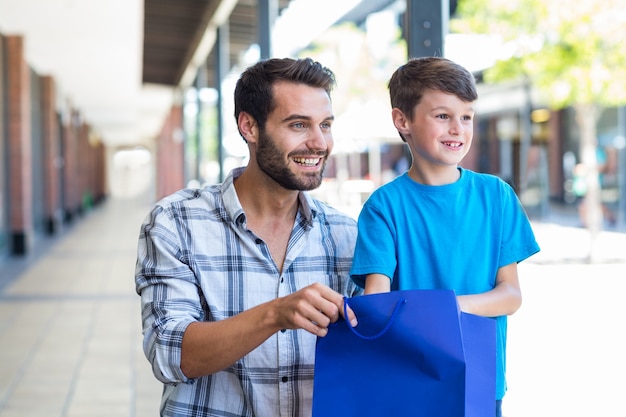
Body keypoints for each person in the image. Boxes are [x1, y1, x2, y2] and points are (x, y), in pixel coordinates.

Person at [135, 57, 362, 417]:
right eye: (299, 124)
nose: (319, 142)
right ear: (249, 127)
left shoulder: (347, 235)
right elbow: (169, 353)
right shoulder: (175, 222)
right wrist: (275, 314)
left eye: (326, 125)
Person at [349, 57, 540, 417]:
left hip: (479, 378)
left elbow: (511, 295)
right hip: (409, 378)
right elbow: (377, 303)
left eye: (466, 116)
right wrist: (447, 311)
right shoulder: (383, 207)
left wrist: (440, 310)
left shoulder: (497, 196)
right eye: (442, 116)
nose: (458, 129)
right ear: (402, 121)